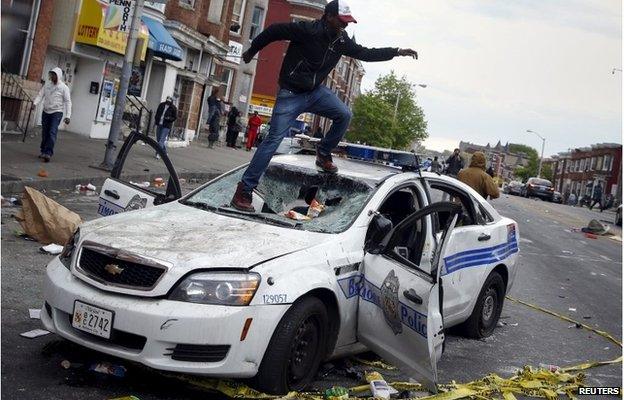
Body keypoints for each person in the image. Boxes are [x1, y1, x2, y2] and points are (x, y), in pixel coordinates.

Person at [230, 0, 418, 211]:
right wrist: (251, 50)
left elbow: (365, 53)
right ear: (329, 17)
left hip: (315, 92)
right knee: (273, 140)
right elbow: (273, 31)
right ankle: (244, 190)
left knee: (344, 114)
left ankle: (323, 152)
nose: (345, 27)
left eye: (348, 23)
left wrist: (397, 51)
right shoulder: (307, 30)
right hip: (291, 93)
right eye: (341, 22)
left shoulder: (341, 40)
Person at [32, 67, 72, 162]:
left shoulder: (64, 87)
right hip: (46, 111)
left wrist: (68, 116)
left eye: (54, 75)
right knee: (45, 132)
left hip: (57, 112)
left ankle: (48, 153)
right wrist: (35, 103)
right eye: (51, 75)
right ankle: (43, 151)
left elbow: (68, 102)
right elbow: (40, 95)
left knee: (52, 132)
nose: (52, 77)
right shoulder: (47, 85)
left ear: (58, 76)